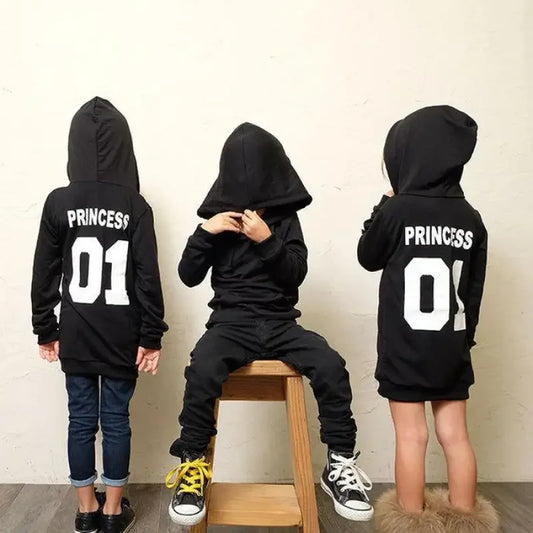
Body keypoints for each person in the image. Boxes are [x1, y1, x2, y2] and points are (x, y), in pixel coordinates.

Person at [165, 122, 373, 526]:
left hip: (280, 325)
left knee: (330, 364)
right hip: (230, 326)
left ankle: (339, 463)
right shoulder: (218, 222)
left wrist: (266, 239)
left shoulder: (285, 220)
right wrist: (205, 232)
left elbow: (295, 273)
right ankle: (192, 467)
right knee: (202, 367)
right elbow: (188, 275)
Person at [358, 106, 498, 532]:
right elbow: (473, 290)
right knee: (455, 436)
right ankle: (467, 519)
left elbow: (367, 256)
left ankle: (411, 521)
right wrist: (465, 340)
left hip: (404, 348)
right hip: (450, 346)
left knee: (412, 436)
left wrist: (384, 203)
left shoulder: (398, 211)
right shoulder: (470, 217)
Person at [31, 97, 168, 533]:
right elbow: (148, 277)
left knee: (80, 421)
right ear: (125, 148)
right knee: (116, 421)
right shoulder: (135, 205)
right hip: (122, 335)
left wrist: (45, 328)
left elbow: (44, 272)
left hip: (76, 332)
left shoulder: (58, 203)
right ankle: (112, 512)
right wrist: (151, 335)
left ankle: (85, 510)